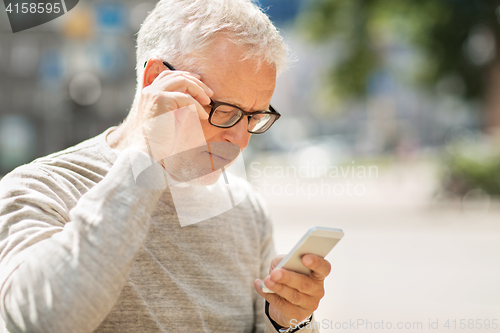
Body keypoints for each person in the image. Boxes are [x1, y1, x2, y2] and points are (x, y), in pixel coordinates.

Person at [0, 0, 331, 332]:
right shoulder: (39, 189)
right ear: (157, 79)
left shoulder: (246, 209)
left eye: (254, 117)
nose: (241, 141)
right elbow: (40, 321)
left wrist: (290, 321)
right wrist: (146, 157)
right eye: (226, 112)